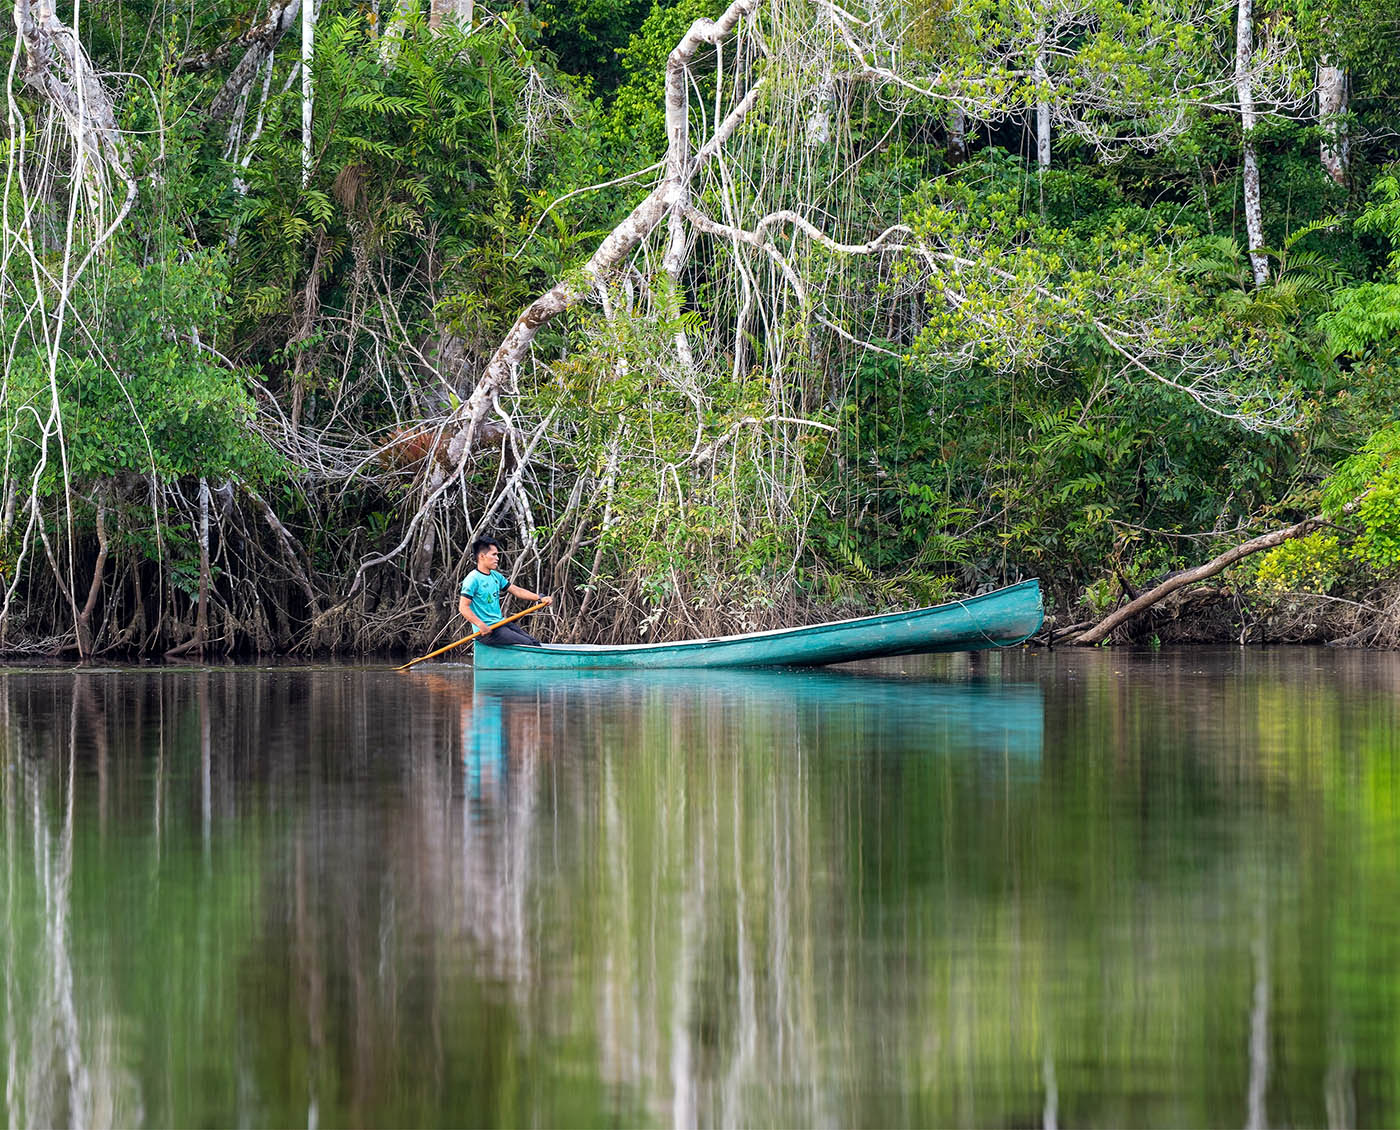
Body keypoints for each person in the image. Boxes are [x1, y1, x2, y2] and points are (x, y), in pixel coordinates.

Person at [459, 537, 553, 646]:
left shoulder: (496, 576)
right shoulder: (472, 579)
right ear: (482, 556)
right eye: (494, 555)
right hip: (487, 631)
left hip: (500, 623)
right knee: (527, 644)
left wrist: (540, 598)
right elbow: (463, 607)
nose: (497, 558)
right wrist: (481, 625)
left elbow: (517, 591)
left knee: (534, 643)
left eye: (497, 555)